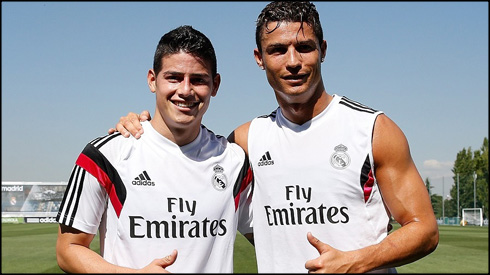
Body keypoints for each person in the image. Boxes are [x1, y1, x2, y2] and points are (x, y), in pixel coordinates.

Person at [111, 1, 439, 273]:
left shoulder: (373, 130)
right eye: (278, 50)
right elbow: (181, 159)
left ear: (322, 50)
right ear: (260, 59)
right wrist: (140, 128)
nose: (293, 61)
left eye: (304, 48)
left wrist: (355, 261)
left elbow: (424, 230)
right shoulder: (244, 142)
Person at [56, 25, 253, 273]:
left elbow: (275, 235)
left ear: (215, 85)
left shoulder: (234, 161)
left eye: (198, 80)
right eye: (174, 77)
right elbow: (67, 250)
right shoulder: (106, 155)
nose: (185, 90)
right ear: (152, 80)